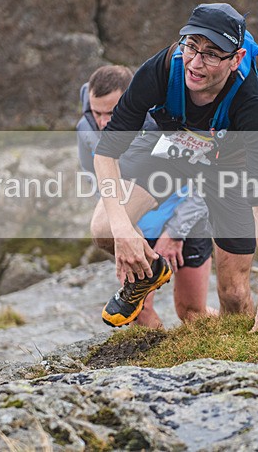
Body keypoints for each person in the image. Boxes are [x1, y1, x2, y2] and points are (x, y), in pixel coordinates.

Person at [90, 3, 258, 336]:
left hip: (227, 166)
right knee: (104, 226)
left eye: (213, 54)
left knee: (232, 293)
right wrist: (123, 230)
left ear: (235, 58)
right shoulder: (161, 69)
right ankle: (149, 274)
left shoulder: (251, 103)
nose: (196, 63)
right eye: (192, 47)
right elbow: (105, 153)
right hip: (170, 148)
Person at [76, 65, 215, 328]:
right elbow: (98, 183)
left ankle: (235, 332)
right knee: (140, 312)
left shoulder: (163, 118)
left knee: (191, 312)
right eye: (97, 113)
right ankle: (165, 363)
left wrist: (175, 232)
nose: (104, 122)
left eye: (112, 112)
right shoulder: (86, 129)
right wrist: (129, 232)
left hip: (185, 218)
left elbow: (202, 182)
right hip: (137, 225)